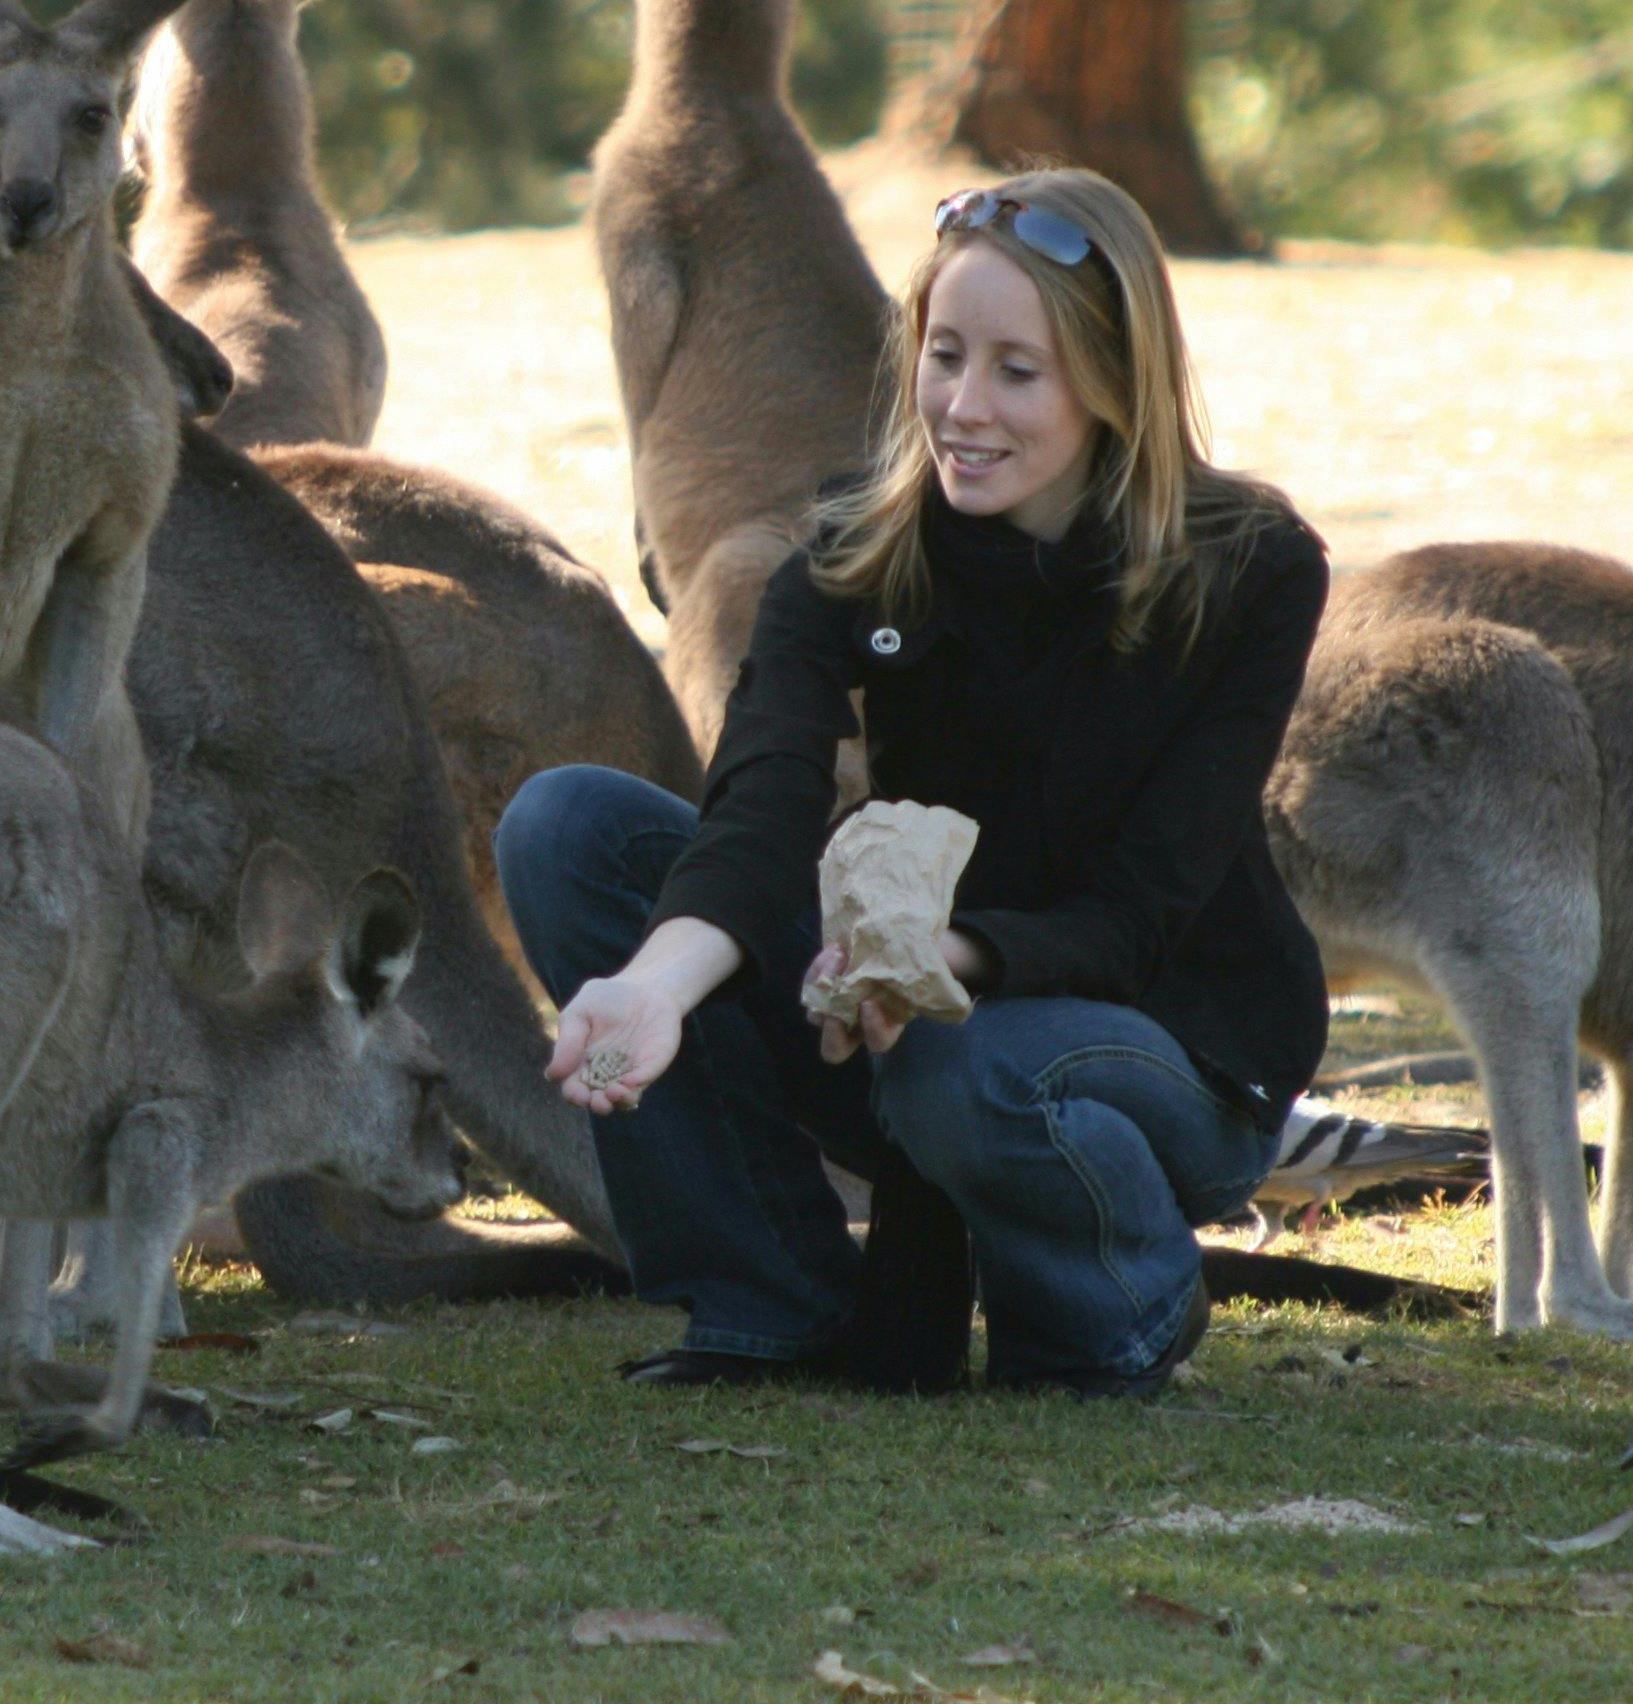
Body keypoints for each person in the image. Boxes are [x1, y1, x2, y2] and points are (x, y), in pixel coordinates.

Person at [502, 168, 1329, 1396]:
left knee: (963, 1062)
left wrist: (944, 961)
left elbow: (1142, 907)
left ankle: (1120, 1311)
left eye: (1015, 369)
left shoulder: (1245, 569)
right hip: (910, 996)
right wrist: (651, 989)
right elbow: (763, 798)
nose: (961, 405)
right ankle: (770, 1298)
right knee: (571, 823)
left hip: (1162, 1039)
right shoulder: (858, 545)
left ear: (1111, 379)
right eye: (943, 354)